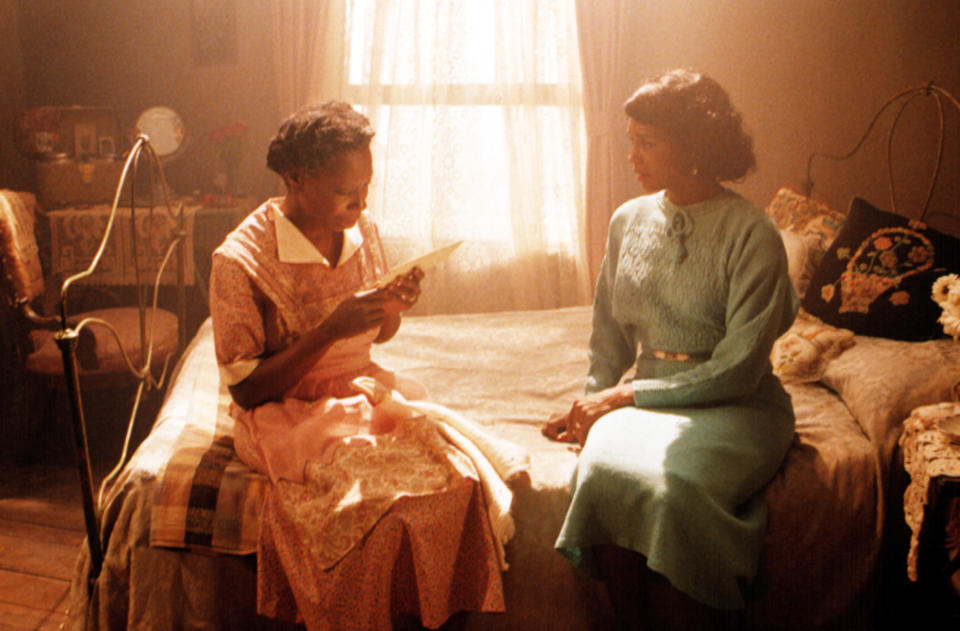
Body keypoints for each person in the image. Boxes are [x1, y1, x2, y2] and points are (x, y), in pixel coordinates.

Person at [209, 102, 504, 630]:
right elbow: (247, 392)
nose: (361, 202)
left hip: (361, 394)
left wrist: (390, 309)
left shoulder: (360, 229)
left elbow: (377, 335)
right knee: (374, 510)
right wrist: (328, 331)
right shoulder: (239, 261)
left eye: (366, 187)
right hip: (287, 411)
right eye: (348, 191)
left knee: (457, 486)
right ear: (297, 178)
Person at [542, 69, 798, 630]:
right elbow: (607, 336)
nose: (632, 156)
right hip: (641, 399)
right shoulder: (627, 220)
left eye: (647, 143)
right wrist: (590, 405)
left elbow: (738, 367)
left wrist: (625, 395)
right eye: (630, 140)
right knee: (604, 468)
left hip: (739, 405)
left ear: (694, 147)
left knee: (674, 487)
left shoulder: (752, 232)